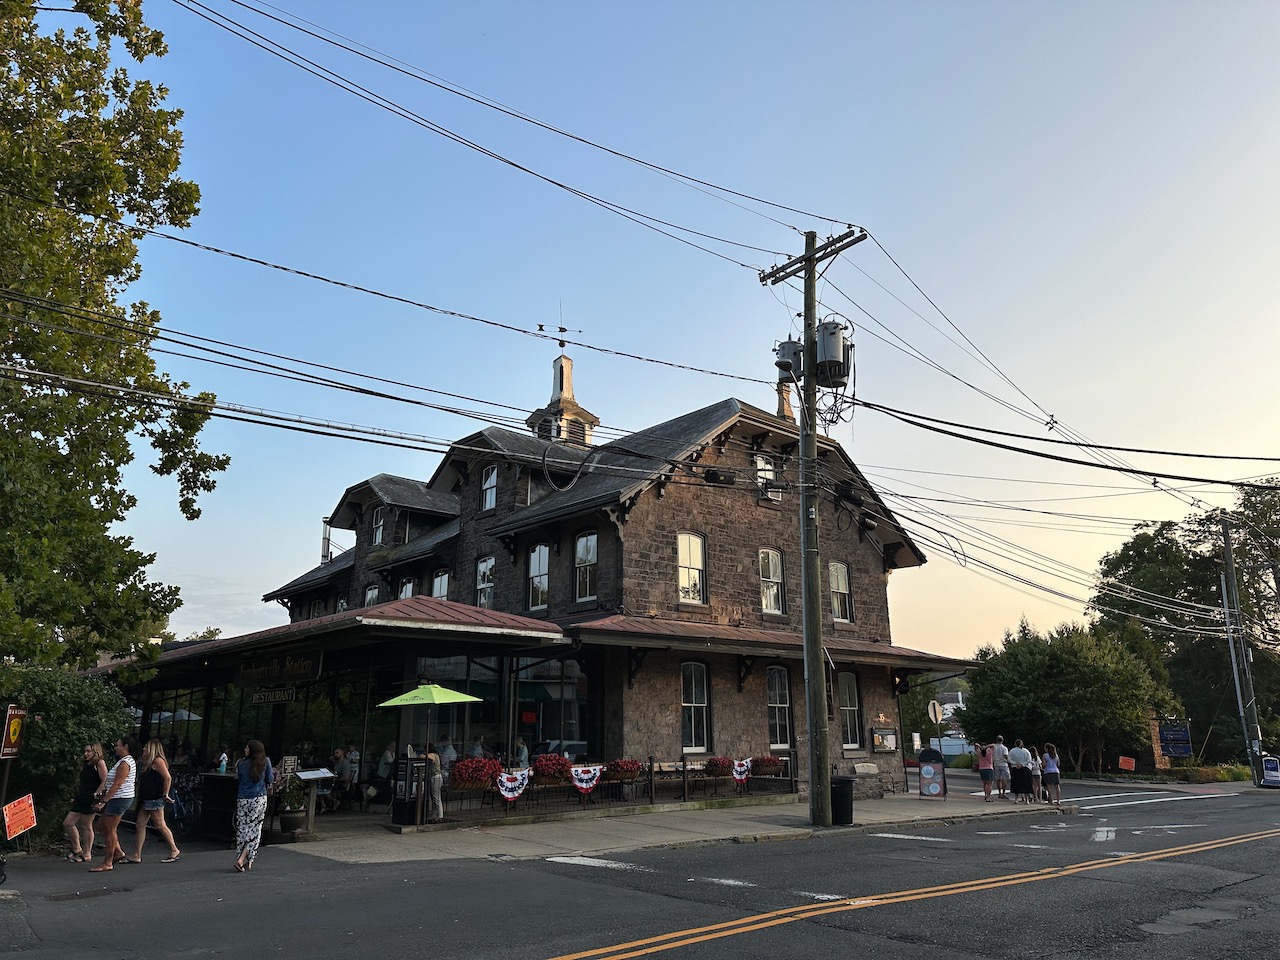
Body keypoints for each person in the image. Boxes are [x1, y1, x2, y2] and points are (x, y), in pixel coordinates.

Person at [89, 736, 137, 872]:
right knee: (102, 825)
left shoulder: (125, 763)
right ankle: (118, 852)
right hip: (117, 798)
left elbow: (118, 784)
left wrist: (104, 801)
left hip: (119, 798)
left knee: (110, 829)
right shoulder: (123, 761)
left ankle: (108, 861)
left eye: (117, 745)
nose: (115, 748)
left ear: (125, 746)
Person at [133, 739, 182, 863]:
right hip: (147, 798)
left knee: (160, 824)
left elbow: (167, 777)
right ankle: (137, 854)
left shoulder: (157, 761)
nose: (144, 749)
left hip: (155, 798)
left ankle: (174, 849)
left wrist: (165, 793)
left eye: (146, 747)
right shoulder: (147, 763)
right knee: (140, 824)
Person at [233, 739, 275, 872]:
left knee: (242, 828)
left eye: (247, 748)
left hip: (243, 799)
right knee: (255, 829)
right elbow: (270, 779)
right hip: (259, 798)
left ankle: (244, 859)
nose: (245, 750)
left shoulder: (241, 764)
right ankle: (244, 859)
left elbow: (239, 779)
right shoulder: (265, 762)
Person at [63, 743, 108, 862]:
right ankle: (77, 848)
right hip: (82, 796)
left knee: (86, 825)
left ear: (95, 751)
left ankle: (87, 853)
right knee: (68, 823)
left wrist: (97, 796)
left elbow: (105, 780)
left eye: (88, 751)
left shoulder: (99, 763)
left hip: (91, 797)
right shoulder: (86, 764)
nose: (86, 754)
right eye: (85, 751)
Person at [1008, 738, 1033, 803]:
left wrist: (1015, 763)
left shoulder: (1012, 751)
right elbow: (1029, 759)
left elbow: (1009, 759)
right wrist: (1022, 764)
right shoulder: (1026, 751)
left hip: (1015, 768)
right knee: (1026, 784)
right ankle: (1027, 800)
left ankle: (1016, 799)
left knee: (1016, 784)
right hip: (1025, 768)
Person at [424, 742, 444, 823]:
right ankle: (434, 815)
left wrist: (420, 755)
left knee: (436, 797)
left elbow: (424, 756)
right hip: (437, 777)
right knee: (434, 797)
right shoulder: (437, 755)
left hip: (435, 777)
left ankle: (440, 815)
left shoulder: (432, 755)